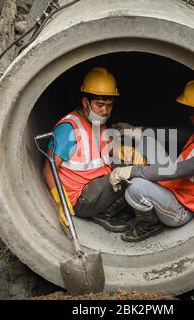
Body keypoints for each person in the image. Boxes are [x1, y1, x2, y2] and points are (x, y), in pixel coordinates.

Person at [109, 80, 194, 242]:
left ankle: (149, 223)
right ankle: (145, 200)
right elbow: (173, 133)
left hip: (181, 209)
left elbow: (174, 170)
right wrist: (136, 131)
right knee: (147, 141)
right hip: (177, 189)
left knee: (135, 186)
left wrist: (131, 171)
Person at [43, 67, 132, 234]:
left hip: (96, 186)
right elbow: (48, 168)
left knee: (129, 166)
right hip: (81, 199)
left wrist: (128, 152)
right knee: (129, 175)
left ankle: (107, 207)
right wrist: (60, 200)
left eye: (109, 105)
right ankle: (105, 213)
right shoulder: (69, 128)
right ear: (85, 102)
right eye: (99, 105)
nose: (105, 111)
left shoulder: (97, 122)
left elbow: (106, 148)